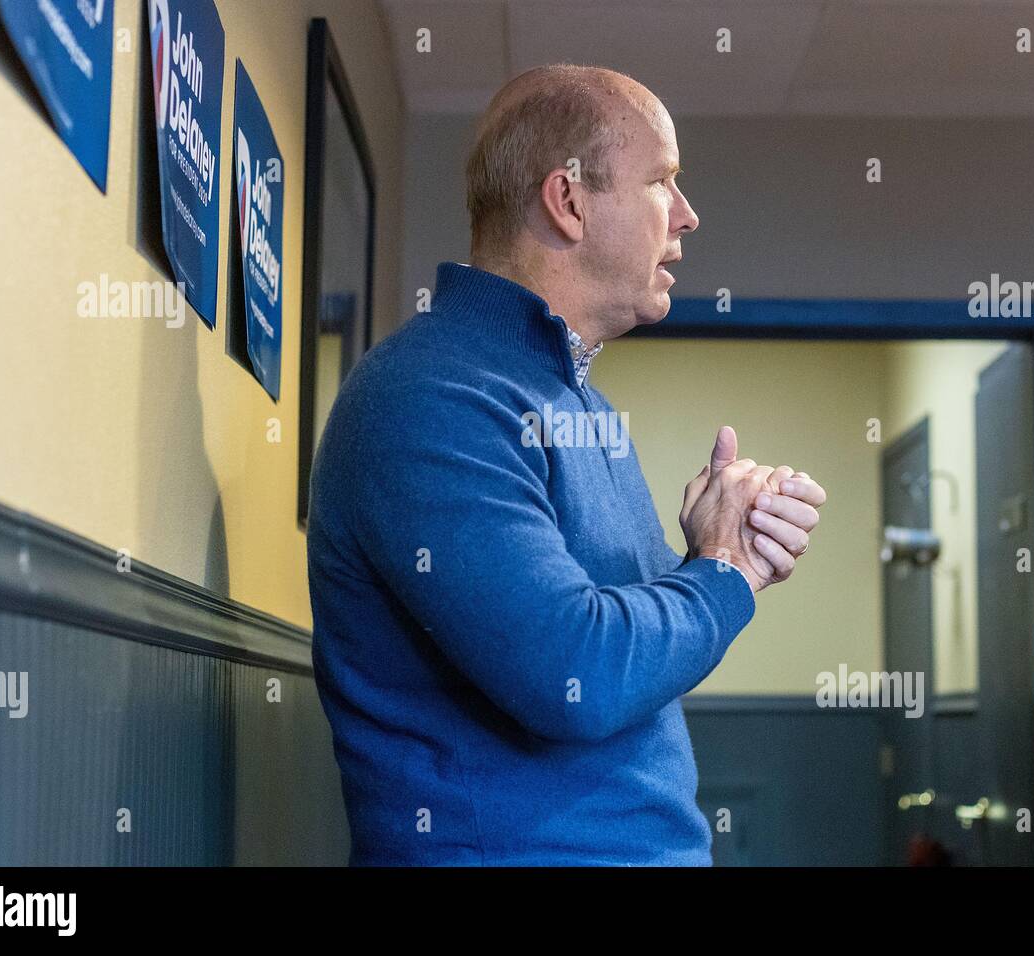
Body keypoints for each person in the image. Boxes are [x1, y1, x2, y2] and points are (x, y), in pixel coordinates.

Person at [307, 64, 826, 865]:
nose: (687, 216)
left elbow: (632, 669)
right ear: (570, 200)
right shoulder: (430, 397)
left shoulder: (572, 399)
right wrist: (725, 574)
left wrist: (715, 552)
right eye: (662, 182)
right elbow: (574, 674)